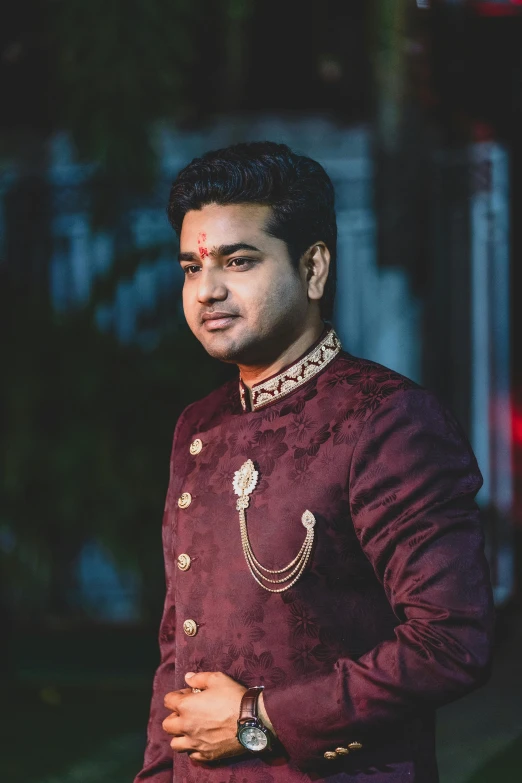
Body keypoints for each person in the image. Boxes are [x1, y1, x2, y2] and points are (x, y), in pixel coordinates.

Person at [134, 141, 494, 783]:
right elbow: (179, 650)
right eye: (191, 267)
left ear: (314, 269)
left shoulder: (386, 420)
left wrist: (258, 717)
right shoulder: (200, 426)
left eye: (238, 261)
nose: (208, 290)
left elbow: (450, 642)